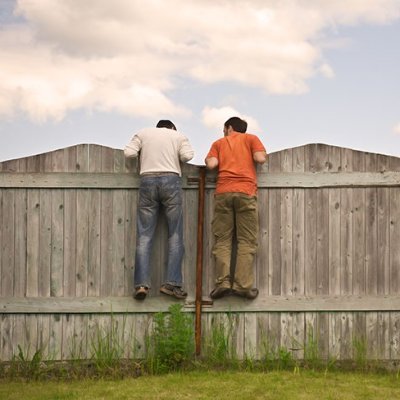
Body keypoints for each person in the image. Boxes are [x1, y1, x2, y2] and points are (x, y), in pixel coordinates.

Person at [124, 120, 194, 300]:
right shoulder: (178, 136)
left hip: (147, 180)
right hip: (171, 180)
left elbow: (129, 153)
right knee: (175, 235)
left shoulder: (142, 132)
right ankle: (171, 283)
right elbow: (187, 157)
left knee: (144, 236)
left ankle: (141, 285)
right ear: (172, 128)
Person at [205, 116, 267, 300]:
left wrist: (211, 156)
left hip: (223, 192)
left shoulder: (219, 143)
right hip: (246, 192)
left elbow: (212, 165)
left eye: (224, 129)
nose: (223, 132)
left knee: (222, 240)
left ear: (229, 127)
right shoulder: (251, 139)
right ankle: (242, 286)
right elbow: (260, 158)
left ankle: (223, 283)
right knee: (246, 241)